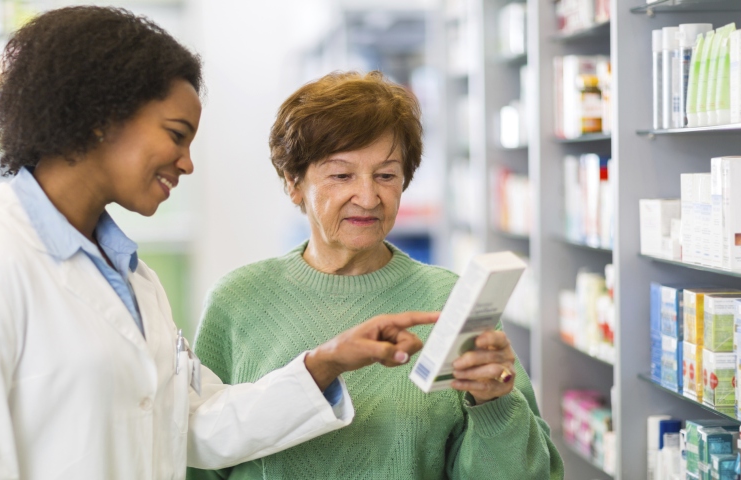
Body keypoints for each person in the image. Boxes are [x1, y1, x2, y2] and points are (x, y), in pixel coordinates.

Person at [0, 9, 438, 480]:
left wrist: (328, 362)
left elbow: (196, 427)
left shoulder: (132, 278)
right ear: (99, 119)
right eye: (176, 134)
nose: (186, 162)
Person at [189, 71, 565, 479]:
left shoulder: (448, 299)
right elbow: (200, 459)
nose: (368, 198)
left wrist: (494, 404)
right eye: (341, 175)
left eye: (386, 175)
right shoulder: (237, 300)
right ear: (293, 182)